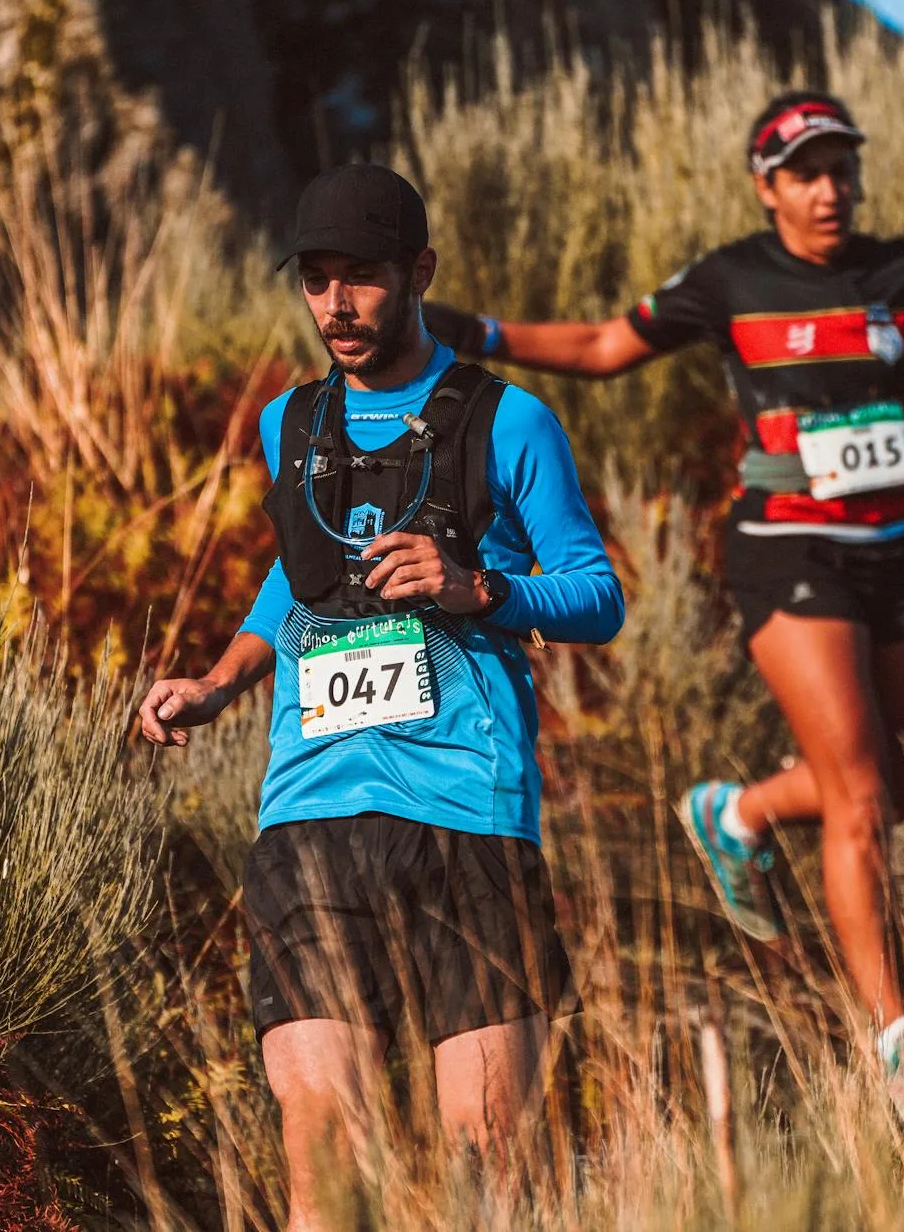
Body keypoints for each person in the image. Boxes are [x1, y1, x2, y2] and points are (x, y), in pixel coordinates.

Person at [424, 91, 904, 1084]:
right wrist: (478, 330)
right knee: (855, 800)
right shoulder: (729, 280)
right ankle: (896, 1037)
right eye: (806, 173)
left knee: (891, 788)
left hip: (897, 553)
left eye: (841, 169)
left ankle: (738, 811)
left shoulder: (895, 272)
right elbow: (602, 347)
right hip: (786, 551)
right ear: (766, 186)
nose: (828, 190)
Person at [137, 163, 623, 1230]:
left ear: (419, 272)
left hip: (469, 816)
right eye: (315, 281)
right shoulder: (289, 422)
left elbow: (597, 593)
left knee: (487, 1163)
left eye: (360, 279)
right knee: (322, 1141)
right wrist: (219, 682)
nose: (336, 306)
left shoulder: (509, 421)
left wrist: (477, 587)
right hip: (310, 815)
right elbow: (296, 572)